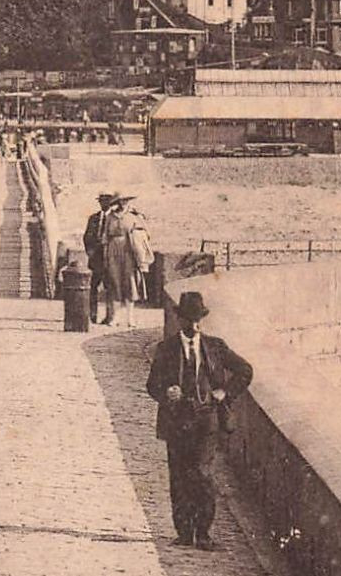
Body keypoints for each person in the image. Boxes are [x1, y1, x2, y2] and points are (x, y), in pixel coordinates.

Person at [146, 291, 253, 549]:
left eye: (197, 321)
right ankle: (184, 533)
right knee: (180, 476)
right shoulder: (166, 349)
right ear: (180, 320)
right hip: (177, 420)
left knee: (203, 474)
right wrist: (166, 393)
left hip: (207, 420)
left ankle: (203, 534)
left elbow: (245, 370)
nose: (193, 326)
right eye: (188, 321)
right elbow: (152, 385)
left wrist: (225, 392)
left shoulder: (215, 347)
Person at [101, 194, 138, 325]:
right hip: (113, 250)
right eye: (122, 201)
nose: (124, 203)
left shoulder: (134, 217)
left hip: (128, 250)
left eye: (127, 200)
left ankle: (130, 318)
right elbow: (105, 237)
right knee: (114, 282)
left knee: (129, 283)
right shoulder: (110, 217)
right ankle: (115, 317)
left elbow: (142, 236)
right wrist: (106, 256)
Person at [84, 192, 115, 324]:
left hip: (109, 259)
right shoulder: (93, 218)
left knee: (110, 289)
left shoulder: (114, 219)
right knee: (93, 288)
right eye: (101, 202)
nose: (103, 204)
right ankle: (92, 315)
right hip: (95, 259)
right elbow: (86, 236)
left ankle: (109, 316)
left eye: (106, 202)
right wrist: (90, 251)